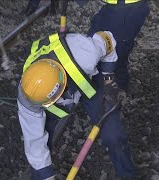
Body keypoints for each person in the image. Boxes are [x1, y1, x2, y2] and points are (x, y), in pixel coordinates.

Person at [17, 31, 135, 179]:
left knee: (113, 134)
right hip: (55, 89)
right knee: (41, 151)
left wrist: (108, 79)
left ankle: (127, 175)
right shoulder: (29, 95)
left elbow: (107, 39)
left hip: (90, 80)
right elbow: (34, 141)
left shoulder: (85, 54)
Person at [88, 0, 150, 92]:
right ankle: (100, 90)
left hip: (127, 7)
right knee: (93, 41)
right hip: (115, 6)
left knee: (116, 52)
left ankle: (114, 94)